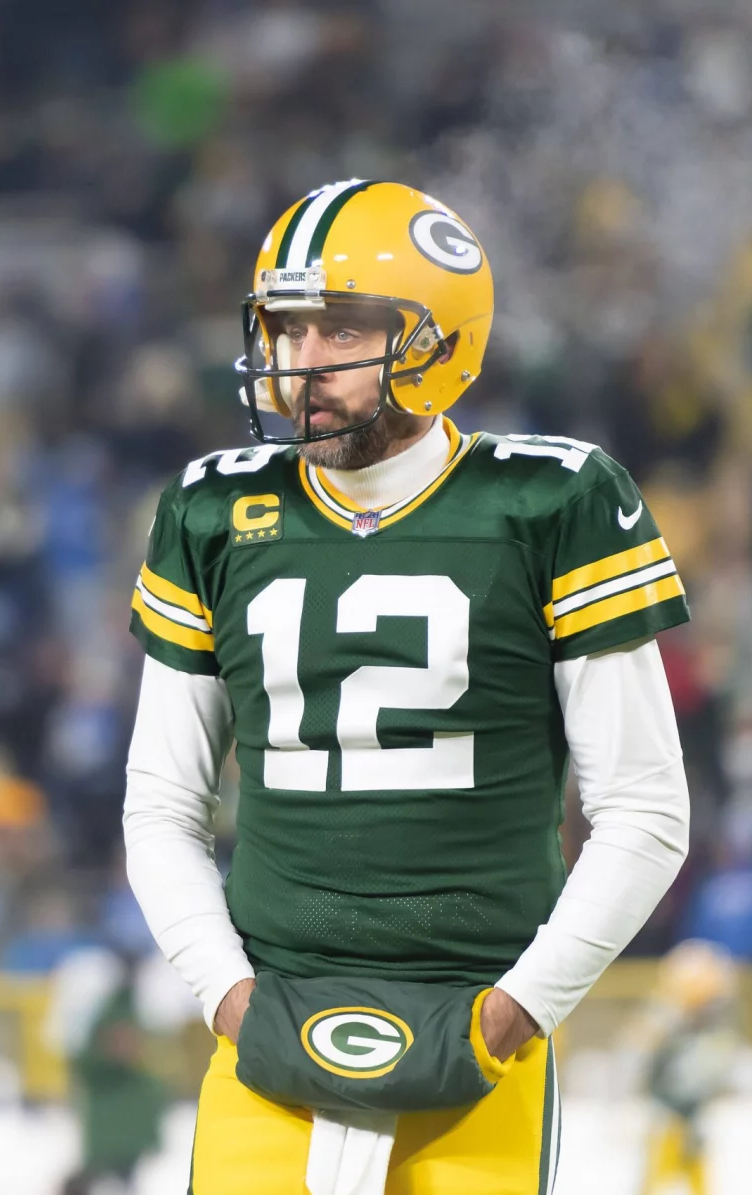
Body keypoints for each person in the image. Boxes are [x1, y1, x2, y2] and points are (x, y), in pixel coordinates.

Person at [123, 180, 692, 1192]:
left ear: (438, 341)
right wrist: (231, 998)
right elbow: (160, 803)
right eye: (286, 331)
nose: (304, 366)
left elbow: (645, 810)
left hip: (477, 1027)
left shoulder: (551, 500)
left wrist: (516, 1011)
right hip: (271, 1027)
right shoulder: (216, 508)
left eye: (340, 331)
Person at [629, 941, 742, 1195]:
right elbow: (638, 1053)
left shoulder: (715, 1028)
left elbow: (711, 1070)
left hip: (690, 1117)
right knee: (657, 1179)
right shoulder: (669, 1017)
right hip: (666, 1117)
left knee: (691, 1179)